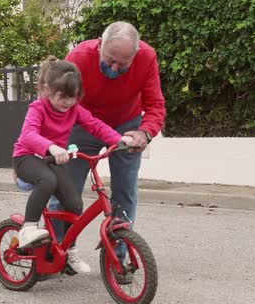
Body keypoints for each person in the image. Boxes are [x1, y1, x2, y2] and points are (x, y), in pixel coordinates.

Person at [48, 22, 166, 281]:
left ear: (134, 56)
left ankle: (118, 258)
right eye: (110, 60)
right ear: (100, 45)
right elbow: (57, 103)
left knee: (124, 192)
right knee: (65, 191)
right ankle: (55, 251)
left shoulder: (147, 58)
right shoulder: (78, 57)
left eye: (122, 65)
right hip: (83, 124)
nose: (114, 68)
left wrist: (144, 133)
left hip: (126, 126)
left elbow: (155, 104)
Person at [12, 56, 134, 274]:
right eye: (62, 96)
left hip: (52, 160)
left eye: (73, 96)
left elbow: (94, 125)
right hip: (27, 157)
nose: (68, 102)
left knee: (74, 204)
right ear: (47, 89)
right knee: (47, 181)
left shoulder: (74, 110)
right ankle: (28, 228)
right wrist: (51, 147)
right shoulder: (38, 108)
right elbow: (28, 135)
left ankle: (69, 252)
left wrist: (118, 139)